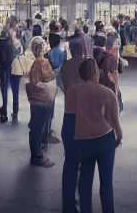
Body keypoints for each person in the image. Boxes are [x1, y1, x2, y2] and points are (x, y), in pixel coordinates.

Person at [66, 59, 123, 213]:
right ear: (96, 73)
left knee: (85, 180)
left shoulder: (73, 91)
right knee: (106, 182)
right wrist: (119, 137)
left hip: (83, 141)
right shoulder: (107, 93)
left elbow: (70, 118)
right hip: (105, 139)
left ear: (82, 73)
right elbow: (115, 120)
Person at [60, 51, 86, 213]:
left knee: (70, 164)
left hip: (69, 120)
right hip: (83, 122)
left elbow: (60, 84)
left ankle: (68, 203)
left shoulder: (66, 68)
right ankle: (83, 202)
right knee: (83, 165)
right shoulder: (92, 89)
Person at [26, 39, 56, 167]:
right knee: (38, 128)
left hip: (35, 100)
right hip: (42, 100)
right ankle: (37, 156)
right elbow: (48, 76)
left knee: (35, 128)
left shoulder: (35, 63)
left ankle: (36, 154)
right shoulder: (43, 62)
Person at [11, 36, 43, 123]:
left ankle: (15, 111)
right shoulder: (39, 59)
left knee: (15, 92)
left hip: (16, 69)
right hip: (27, 74)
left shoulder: (24, 55)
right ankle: (34, 116)